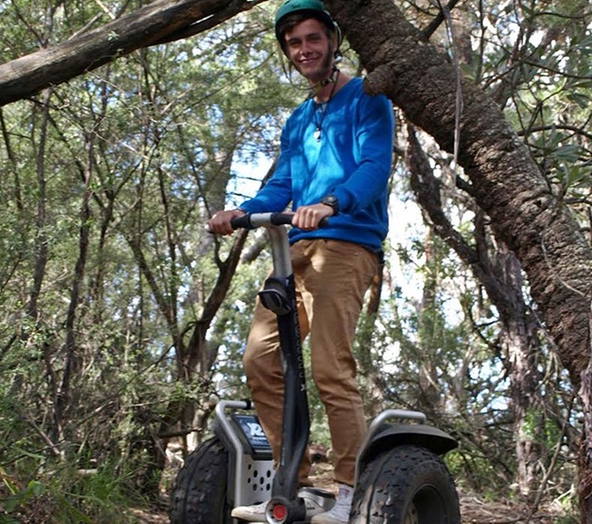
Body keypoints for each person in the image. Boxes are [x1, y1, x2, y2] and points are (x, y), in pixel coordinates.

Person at [207, 0, 394, 522]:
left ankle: (351, 492)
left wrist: (332, 203)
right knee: (260, 358)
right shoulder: (300, 117)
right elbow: (283, 185)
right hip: (297, 248)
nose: (304, 50)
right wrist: (241, 211)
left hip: (347, 242)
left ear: (333, 40)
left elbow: (374, 166)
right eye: (294, 43)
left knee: (330, 366)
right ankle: (299, 483)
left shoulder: (367, 97)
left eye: (313, 38)